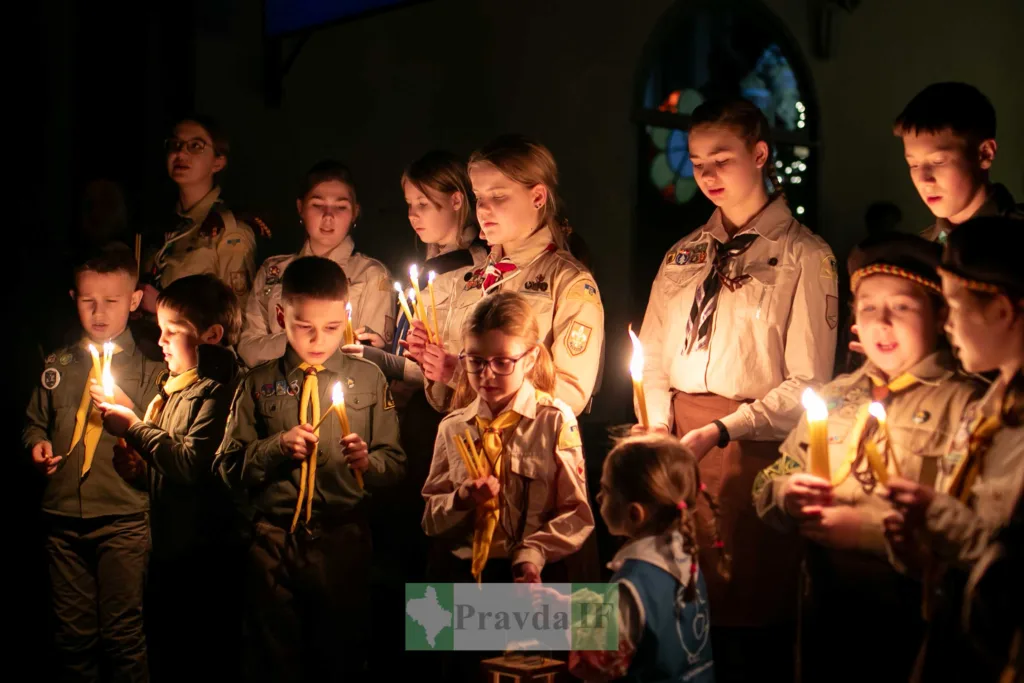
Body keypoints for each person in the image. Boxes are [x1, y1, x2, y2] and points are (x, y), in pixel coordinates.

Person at [635, 96, 839, 682]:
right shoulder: (683, 254)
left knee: (743, 617)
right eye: (697, 161)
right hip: (674, 444)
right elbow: (651, 352)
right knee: (673, 609)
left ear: (759, 153)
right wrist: (654, 423)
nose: (706, 174)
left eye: (721, 158)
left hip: (750, 447)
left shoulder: (805, 255)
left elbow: (808, 381)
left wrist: (725, 428)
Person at [753, 233, 982, 682]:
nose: (881, 323)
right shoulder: (834, 397)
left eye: (901, 307)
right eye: (868, 307)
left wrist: (871, 533)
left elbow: (977, 532)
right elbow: (768, 481)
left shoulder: (967, 407)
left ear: (940, 316)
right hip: (824, 604)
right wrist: (785, 495)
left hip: (913, 611)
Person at [215, 256, 406, 683]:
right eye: (305, 327)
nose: (319, 340)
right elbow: (227, 468)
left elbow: (395, 466)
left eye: (333, 327)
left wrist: (367, 463)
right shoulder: (256, 383)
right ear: (282, 316)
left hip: (343, 539)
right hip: (274, 543)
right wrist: (275, 448)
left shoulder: (369, 379)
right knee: (273, 657)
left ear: (347, 315)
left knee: (341, 655)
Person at [421, 291, 594, 680]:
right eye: (476, 362)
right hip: (467, 583)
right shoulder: (453, 427)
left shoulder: (555, 420)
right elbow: (430, 520)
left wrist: (533, 553)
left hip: (531, 582)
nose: (486, 376)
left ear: (530, 358)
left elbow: (577, 514)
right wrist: (462, 499)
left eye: (503, 362)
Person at [883, 216, 1024, 682]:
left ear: (1002, 310)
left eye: (955, 305)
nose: (944, 323)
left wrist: (940, 516)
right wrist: (920, 547)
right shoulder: (986, 408)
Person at [23, 245, 164, 682]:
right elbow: (34, 423)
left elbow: (163, 445)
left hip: (122, 516)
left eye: (112, 301)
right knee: (72, 638)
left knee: (122, 637)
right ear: (73, 298)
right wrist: (37, 445)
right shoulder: (59, 366)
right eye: (88, 301)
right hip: (62, 517)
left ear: (136, 301)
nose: (99, 313)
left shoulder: (153, 371)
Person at [96, 273, 244, 682]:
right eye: (160, 330)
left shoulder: (220, 389)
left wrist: (134, 428)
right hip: (168, 540)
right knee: (166, 649)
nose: (160, 341)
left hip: (203, 548)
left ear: (211, 335)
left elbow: (191, 464)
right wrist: (140, 471)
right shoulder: (175, 386)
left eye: (172, 332)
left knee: (199, 654)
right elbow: (167, 466)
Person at [407, 135, 604, 418]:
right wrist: (432, 359)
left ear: (537, 197)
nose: (484, 209)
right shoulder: (473, 278)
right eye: (478, 198)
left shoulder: (569, 283)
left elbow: (570, 395)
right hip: (465, 444)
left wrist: (464, 373)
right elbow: (446, 399)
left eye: (498, 196)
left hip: (527, 449)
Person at [569, 433, 724, 683]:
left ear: (635, 513)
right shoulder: (686, 556)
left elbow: (594, 667)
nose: (598, 498)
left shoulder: (631, 586)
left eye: (606, 490)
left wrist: (582, 614)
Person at [238, 160, 393, 369]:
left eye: (340, 207)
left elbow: (369, 359)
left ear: (355, 212)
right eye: (318, 205)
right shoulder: (273, 271)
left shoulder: (371, 276)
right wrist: (304, 340)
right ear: (300, 207)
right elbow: (248, 349)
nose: (328, 216)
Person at [140, 115, 259, 318]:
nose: (180, 152)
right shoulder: (163, 224)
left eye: (196, 146)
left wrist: (162, 306)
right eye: (175, 144)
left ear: (218, 162)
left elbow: (237, 318)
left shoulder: (229, 230)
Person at [893, 82, 1023, 245]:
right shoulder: (921, 252)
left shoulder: (1018, 241)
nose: (924, 180)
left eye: (938, 161)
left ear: (985, 154)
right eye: (914, 165)